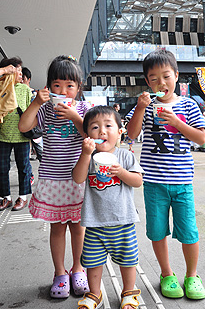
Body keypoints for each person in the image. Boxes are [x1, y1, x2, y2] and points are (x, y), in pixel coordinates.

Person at [127, 49, 205, 300]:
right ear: (147, 82)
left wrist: (178, 123)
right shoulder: (146, 105)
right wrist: (140, 108)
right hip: (153, 183)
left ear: (176, 76)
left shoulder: (189, 105)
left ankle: (192, 276)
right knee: (158, 230)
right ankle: (167, 274)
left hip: (182, 182)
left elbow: (201, 139)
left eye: (166, 76)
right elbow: (131, 134)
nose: (161, 83)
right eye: (154, 79)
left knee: (189, 232)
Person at [18, 55, 91, 299]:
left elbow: (92, 135)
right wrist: (36, 103)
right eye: (57, 85)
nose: (63, 91)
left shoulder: (83, 109)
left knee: (79, 229)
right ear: (49, 86)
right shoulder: (46, 109)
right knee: (57, 228)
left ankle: (78, 269)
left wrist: (74, 117)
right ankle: (60, 273)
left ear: (78, 88)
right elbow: (24, 127)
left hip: (77, 180)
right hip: (52, 179)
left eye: (70, 86)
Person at [73, 105, 144, 309]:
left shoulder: (126, 157)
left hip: (123, 221)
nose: (101, 131)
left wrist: (121, 172)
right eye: (95, 127)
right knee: (92, 261)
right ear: (87, 135)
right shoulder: (88, 157)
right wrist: (86, 154)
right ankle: (95, 293)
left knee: (128, 260)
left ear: (120, 132)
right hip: (95, 223)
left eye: (108, 126)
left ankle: (129, 293)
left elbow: (137, 181)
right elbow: (78, 178)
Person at [0, 57, 32, 211]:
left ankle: (23, 197)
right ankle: (6, 198)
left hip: (21, 135)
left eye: (21, 71)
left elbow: (30, 111)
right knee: (2, 168)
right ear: (9, 71)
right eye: (18, 71)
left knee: (24, 167)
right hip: (2, 135)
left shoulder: (25, 89)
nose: (21, 74)